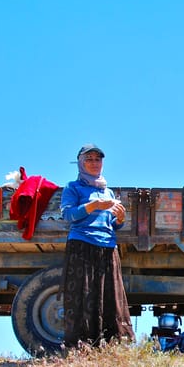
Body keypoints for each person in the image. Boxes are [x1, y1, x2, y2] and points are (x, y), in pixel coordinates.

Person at [61, 144, 136, 349]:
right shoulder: (73, 187)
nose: (94, 163)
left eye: (98, 159)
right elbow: (67, 214)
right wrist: (93, 206)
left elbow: (112, 224)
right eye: (89, 159)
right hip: (81, 244)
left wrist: (120, 218)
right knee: (82, 295)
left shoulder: (108, 191)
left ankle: (111, 343)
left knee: (110, 296)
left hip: (108, 246)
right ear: (80, 163)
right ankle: (80, 345)